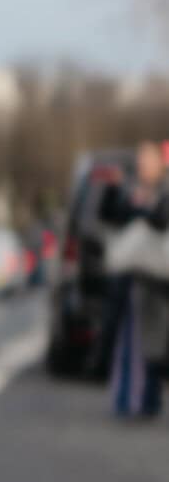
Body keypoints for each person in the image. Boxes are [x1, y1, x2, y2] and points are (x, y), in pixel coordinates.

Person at [99, 140, 169, 419]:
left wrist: (141, 212)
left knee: (153, 340)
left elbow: (160, 220)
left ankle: (147, 398)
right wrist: (114, 189)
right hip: (130, 275)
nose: (143, 165)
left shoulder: (163, 191)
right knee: (126, 338)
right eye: (140, 160)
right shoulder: (130, 189)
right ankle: (127, 397)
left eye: (148, 159)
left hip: (156, 279)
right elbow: (109, 215)